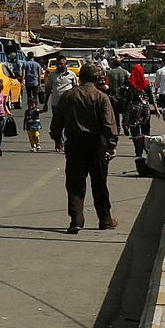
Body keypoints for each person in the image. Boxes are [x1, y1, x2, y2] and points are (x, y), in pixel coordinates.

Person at [49, 63, 119, 234]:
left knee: (75, 183)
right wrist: (111, 145)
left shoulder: (68, 96)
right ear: (97, 79)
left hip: (74, 144)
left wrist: (57, 138)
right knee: (99, 183)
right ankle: (105, 219)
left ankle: (76, 219)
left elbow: (57, 120)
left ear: (80, 77)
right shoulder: (101, 97)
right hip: (97, 145)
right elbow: (109, 124)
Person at [121, 64, 158, 172]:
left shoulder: (130, 84)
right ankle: (147, 148)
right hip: (145, 110)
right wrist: (156, 108)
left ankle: (138, 150)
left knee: (135, 129)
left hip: (133, 110)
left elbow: (127, 98)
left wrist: (125, 114)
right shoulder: (146, 83)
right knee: (146, 130)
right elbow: (152, 96)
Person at [105, 58, 130, 132]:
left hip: (113, 95)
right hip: (123, 95)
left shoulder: (109, 73)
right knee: (124, 111)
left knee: (115, 113)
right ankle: (124, 124)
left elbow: (107, 84)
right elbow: (128, 83)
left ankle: (117, 127)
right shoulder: (125, 72)